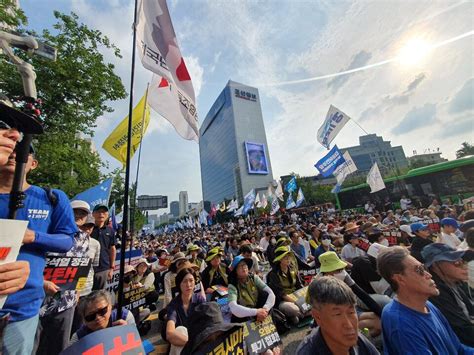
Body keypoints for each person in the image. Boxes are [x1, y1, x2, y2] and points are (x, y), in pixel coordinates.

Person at [0, 147, 76, 354]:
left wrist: (32, 236)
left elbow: (67, 240)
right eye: (11, 149)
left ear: (33, 165)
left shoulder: (51, 198)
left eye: (25, 151)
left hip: (21, 310)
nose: (16, 154)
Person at [377, 246, 473, 353]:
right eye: (420, 270)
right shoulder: (401, 322)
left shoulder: (427, 305)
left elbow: (458, 349)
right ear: (400, 279)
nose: (429, 275)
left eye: (424, 268)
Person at [34, 200, 99, 354]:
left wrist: (78, 291)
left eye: (83, 213)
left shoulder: (84, 239)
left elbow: (82, 266)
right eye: (75, 211)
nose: (79, 216)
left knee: (60, 346)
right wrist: (41, 282)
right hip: (40, 298)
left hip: (67, 300)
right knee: (34, 345)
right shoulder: (49, 230)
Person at [296, 277, 379, 355]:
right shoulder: (308, 352)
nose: (349, 325)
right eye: (337, 314)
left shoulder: (359, 341)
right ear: (318, 317)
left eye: (351, 312)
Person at [421, 243, 474, 346]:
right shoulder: (436, 292)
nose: (463, 265)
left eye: (462, 260)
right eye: (456, 262)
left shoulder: (455, 282)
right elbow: (462, 330)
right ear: (435, 265)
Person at [166, 266, 206, 355]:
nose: (188, 285)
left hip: (198, 339)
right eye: (184, 281)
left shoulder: (200, 300)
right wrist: (191, 343)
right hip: (182, 342)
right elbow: (170, 332)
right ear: (179, 284)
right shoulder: (174, 305)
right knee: (181, 330)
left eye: (191, 280)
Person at [70, 290, 135, 344]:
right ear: (84, 320)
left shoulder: (125, 317)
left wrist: (128, 331)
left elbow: (136, 347)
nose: (98, 318)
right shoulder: (78, 338)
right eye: (91, 316)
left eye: (102, 311)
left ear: (110, 307)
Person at [227, 255, 276, 322]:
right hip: (245, 314)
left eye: (245, 265)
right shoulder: (232, 286)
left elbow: (271, 292)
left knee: (265, 294)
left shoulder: (253, 278)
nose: (244, 268)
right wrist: (256, 312)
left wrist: (265, 310)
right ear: (235, 271)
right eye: (240, 266)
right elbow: (234, 307)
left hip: (259, 310)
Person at [267, 246, 305, 325]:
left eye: (289, 257)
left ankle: (298, 315)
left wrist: (304, 297)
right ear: (280, 259)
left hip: (296, 296)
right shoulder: (273, 274)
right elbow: (281, 294)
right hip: (284, 301)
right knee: (293, 309)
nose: (288, 259)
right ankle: (303, 314)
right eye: (285, 257)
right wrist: (297, 302)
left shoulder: (292, 269)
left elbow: (299, 285)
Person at [91, 204, 116, 290]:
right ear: (93, 214)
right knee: (85, 297)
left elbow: (112, 249)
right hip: (87, 269)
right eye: (98, 212)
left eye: (103, 212)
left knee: (99, 295)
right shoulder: (88, 228)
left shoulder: (110, 230)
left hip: (103, 269)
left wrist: (112, 268)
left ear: (107, 215)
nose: (101, 214)